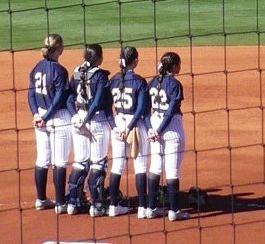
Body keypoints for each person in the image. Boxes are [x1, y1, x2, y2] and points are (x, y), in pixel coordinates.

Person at [65, 44, 114, 215]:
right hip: (96, 121)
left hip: (78, 120)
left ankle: (73, 202)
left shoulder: (78, 73)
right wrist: (86, 118)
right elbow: (98, 101)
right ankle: (97, 205)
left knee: (80, 161)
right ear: (99, 58)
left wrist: (75, 116)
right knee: (98, 162)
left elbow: (69, 96)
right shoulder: (100, 76)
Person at [28, 33, 73, 211]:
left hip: (39, 116)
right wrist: (46, 117)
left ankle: (41, 199)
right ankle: (61, 203)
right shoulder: (60, 71)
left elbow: (30, 94)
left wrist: (36, 115)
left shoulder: (36, 68)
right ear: (59, 49)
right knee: (59, 161)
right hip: (57, 118)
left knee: (42, 159)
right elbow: (60, 96)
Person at [144, 52, 189, 221]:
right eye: (179, 63)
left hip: (154, 126)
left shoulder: (153, 82)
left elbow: (145, 109)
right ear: (175, 66)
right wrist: (160, 129)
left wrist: (151, 129)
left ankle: (151, 208)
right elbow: (171, 112)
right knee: (172, 170)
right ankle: (174, 211)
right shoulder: (175, 84)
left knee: (155, 167)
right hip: (171, 129)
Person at [105, 46, 149, 217]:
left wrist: (116, 128)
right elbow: (141, 110)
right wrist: (130, 128)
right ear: (135, 62)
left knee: (117, 165)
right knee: (140, 165)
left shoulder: (113, 80)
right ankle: (143, 208)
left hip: (117, 123)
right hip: (135, 125)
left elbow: (107, 109)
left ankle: (114, 205)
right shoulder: (139, 81)